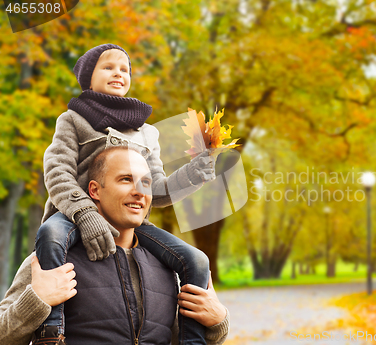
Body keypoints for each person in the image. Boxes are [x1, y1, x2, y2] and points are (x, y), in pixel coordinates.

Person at [35, 43, 215, 345]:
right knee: (49, 236)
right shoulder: (73, 119)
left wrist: (193, 173)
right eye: (108, 67)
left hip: (129, 221)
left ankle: (192, 340)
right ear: (88, 78)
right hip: (74, 213)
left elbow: (155, 189)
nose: (118, 73)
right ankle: (51, 331)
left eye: (124, 69)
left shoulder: (147, 133)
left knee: (196, 261)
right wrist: (85, 214)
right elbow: (57, 173)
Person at [0, 146, 229, 345]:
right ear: (94, 190)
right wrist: (35, 301)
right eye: (126, 179)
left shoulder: (167, 265)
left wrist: (218, 322)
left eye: (146, 183)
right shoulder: (53, 262)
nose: (140, 192)